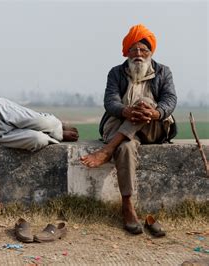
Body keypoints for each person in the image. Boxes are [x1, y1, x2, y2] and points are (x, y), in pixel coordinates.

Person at [80, 24, 177, 235]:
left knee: (144, 102)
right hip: (122, 127)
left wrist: (155, 113)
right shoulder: (116, 73)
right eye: (134, 50)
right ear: (127, 52)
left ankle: (106, 150)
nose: (139, 55)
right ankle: (127, 205)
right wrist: (126, 111)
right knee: (124, 148)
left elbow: (170, 99)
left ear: (150, 53)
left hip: (153, 128)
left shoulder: (163, 72)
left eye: (144, 50)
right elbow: (110, 101)